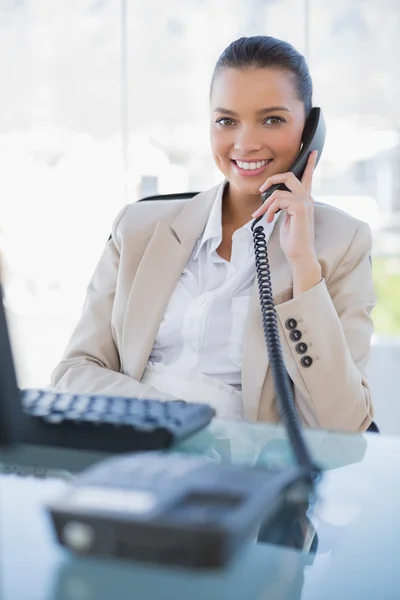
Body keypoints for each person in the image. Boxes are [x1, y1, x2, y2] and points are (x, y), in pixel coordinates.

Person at [51, 36, 376, 432]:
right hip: (133, 450)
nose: (245, 143)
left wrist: (303, 266)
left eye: (272, 119)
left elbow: (341, 426)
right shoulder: (138, 228)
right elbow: (74, 372)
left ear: (310, 131)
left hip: (243, 472)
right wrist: (173, 417)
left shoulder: (342, 244)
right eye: (226, 121)